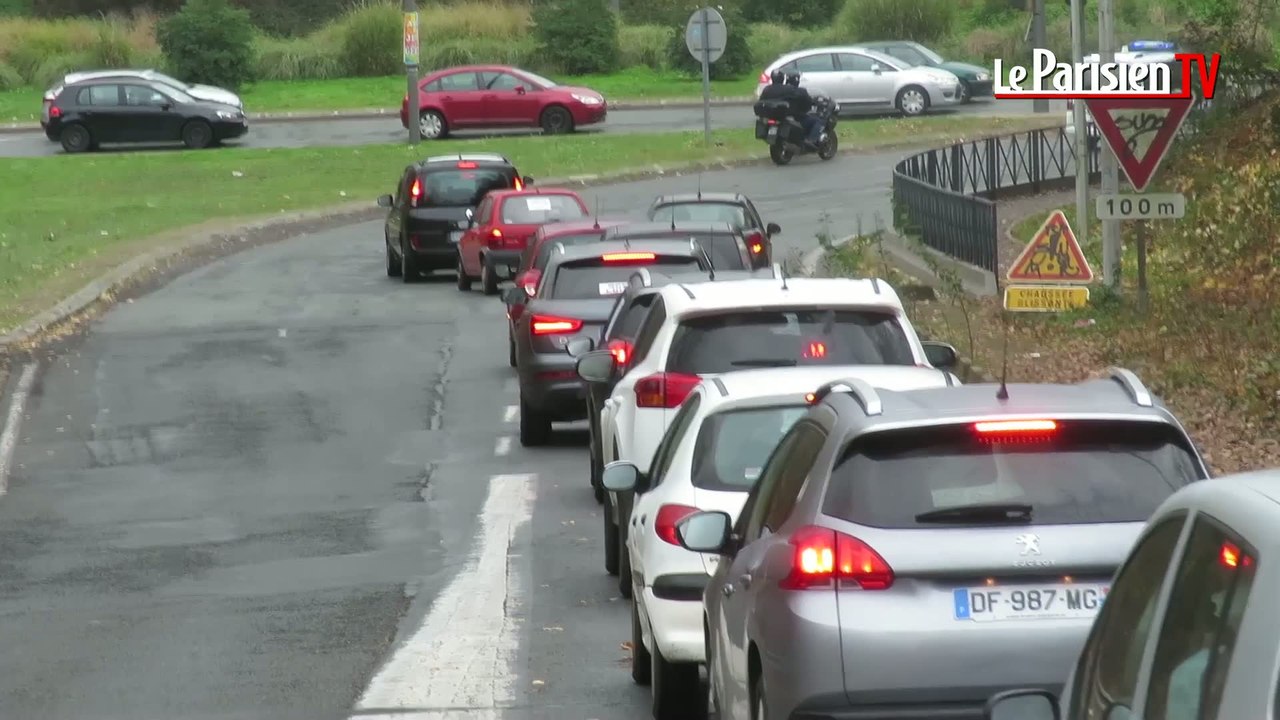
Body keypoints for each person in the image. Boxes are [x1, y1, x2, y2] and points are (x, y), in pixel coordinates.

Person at [784, 72, 824, 149]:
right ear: (797, 81)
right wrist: (813, 102)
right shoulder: (801, 91)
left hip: (784, 117)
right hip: (798, 118)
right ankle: (811, 140)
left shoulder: (783, 90)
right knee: (818, 121)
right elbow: (808, 103)